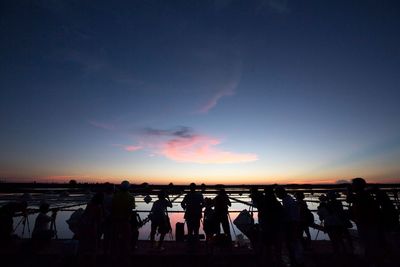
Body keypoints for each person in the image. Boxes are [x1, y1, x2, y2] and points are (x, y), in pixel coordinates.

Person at [347, 177, 384, 265]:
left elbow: (349, 199)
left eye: (353, 185)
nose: (352, 187)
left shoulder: (361, 195)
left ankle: (371, 260)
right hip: (368, 222)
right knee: (370, 241)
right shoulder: (364, 194)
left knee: (368, 242)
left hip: (366, 223)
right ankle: (372, 259)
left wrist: (349, 191)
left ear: (357, 186)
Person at [275, 186, 304, 267]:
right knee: (294, 244)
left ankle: (296, 262)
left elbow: (291, 216)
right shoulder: (288, 200)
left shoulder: (287, 201)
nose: (276, 196)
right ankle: (297, 261)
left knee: (292, 244)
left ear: (280, 193)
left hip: (291, 225)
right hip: (293, 225)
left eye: (277, 194)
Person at [111, 181, 135, 262]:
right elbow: (130, 210)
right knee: (126, 239)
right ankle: (125, 257)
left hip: (116, 220)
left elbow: (112, 208)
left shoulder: (115, 196)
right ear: (128, 188)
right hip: (125, 221)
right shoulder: (131, 197)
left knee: (115, 239)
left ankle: (115, 257)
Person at [78, 192, 104, 267]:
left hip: (84, 225)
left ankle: (80, 261)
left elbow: (84, 214)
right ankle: (93, 262)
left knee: (83, 244)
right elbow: (99, 219)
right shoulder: (99, 207)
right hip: (92, 227)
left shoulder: (89, 205)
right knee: (94, 246)